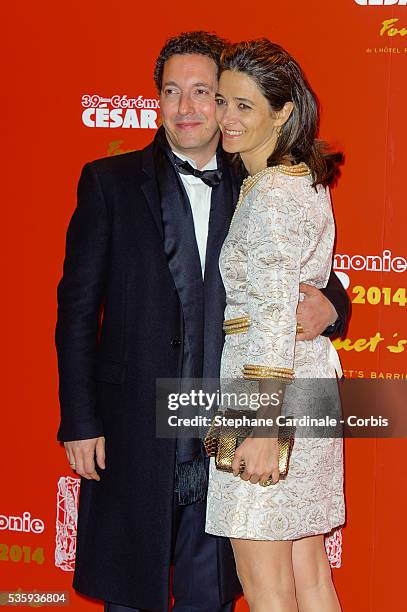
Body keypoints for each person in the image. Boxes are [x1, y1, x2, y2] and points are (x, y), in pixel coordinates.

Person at [55, 32, 349, 612]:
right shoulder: (107, 182)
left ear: (226, 101)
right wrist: (80, 420)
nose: (187, 107)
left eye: (204, 93)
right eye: (171, 91)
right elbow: (77, 310)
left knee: (214, 593)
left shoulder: (261, 177)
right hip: (137, 426)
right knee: (132, 594)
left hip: (228, 420)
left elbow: (308, 274)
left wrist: (335, 307)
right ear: (157, 100)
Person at [205, 39, 345, 612]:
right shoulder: (300, 181)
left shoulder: (271, 196)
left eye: (244, 106)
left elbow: (266, 316)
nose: (225, 118)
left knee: (265, 586)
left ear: (282, 111)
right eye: (222, 101)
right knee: (307, 574)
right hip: (305, 388)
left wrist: (261, 426)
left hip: (266, 401)